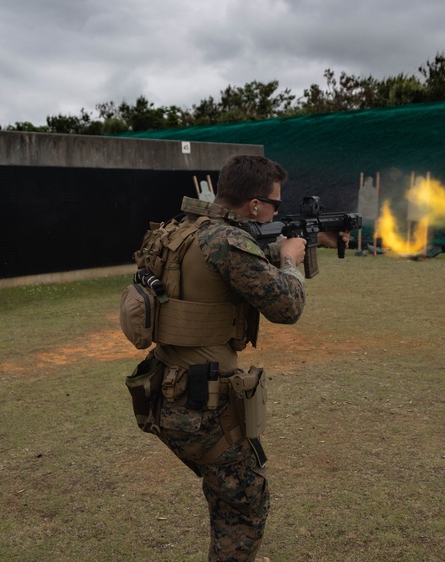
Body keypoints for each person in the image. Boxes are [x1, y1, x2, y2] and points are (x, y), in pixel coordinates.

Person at [126, 154, 343, 562]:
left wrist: (314, 240)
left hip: (166, 390)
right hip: (203, 404)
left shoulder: (186, 229)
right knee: (245, 505)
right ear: (255, 205)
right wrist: (291, 259)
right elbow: (287, 306)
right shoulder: (227, 242)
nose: (277, 212)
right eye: (275, 204)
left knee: (225, 494)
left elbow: (237, 264)